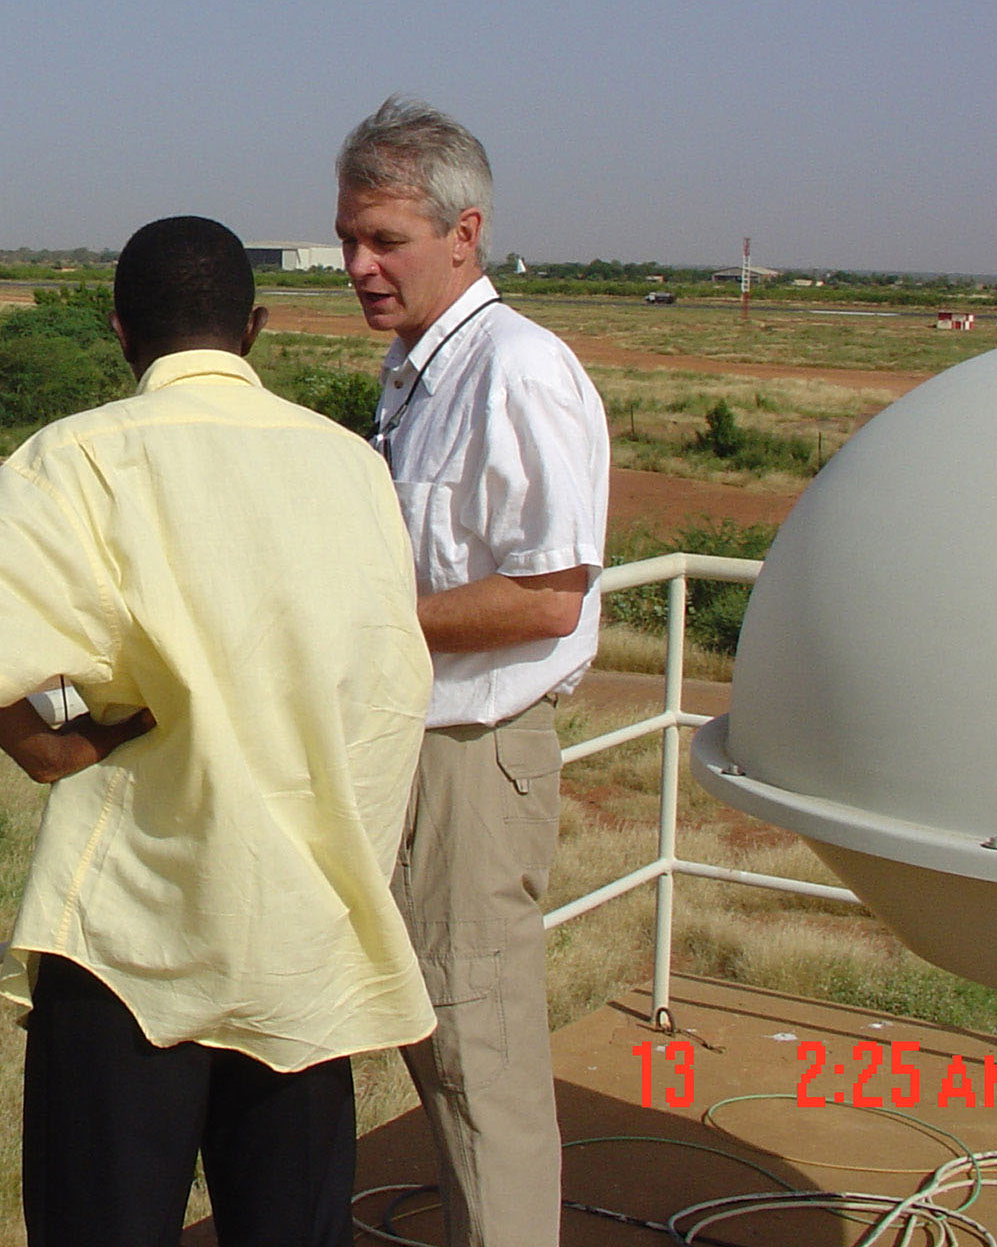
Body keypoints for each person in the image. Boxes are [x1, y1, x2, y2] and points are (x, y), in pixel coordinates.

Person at [0, 215, 437, 1247]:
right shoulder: (350, 466)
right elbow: (383, 684)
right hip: (302, 943)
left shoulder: (83, 455)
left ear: (119, 330)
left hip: (133, 937)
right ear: (254, 327)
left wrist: (45, 745)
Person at [333, 97, 610, 1247]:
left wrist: (363, 626)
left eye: (385, 240)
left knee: (478, 1058)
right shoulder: (418, 373)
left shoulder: (517, 371)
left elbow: (550, 594)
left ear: (465, 233)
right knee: (439, 1050)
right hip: (418, 749)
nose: (360, 265)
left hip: (474, 759)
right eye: (350, 238)